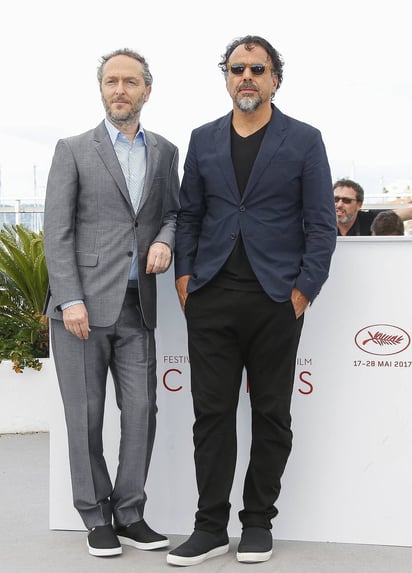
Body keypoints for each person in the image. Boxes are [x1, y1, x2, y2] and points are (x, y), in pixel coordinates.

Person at [167, 35, 337, 567]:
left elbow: (321, 224)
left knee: (271, 414)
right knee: (210, 416)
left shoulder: (305, 140)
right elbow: (189, 213)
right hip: (212, 296)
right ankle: (210, 525)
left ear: (275, 79)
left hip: (274, 300)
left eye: (257, 68)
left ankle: (258, 521)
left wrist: (303, 291)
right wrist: (185, 276)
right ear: (226, 77)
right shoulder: (203, 139)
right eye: (237, 68)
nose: (247, 76)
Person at [43, 48, 180, 558]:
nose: (119, 90)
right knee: (86, 417)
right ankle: (95, 515)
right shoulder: (73, 149)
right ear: (101, 89)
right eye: (110, 81)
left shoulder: (165, 152)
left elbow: (174, 211)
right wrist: (70, 298)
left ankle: (130, 513)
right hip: (81, 310)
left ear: (147, 89)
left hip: (136, 305)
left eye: (129, 82)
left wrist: (165, 238)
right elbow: (55, 232)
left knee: (142, 411)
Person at [334, 178, 412, 236]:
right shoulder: (323, 221)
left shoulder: (370, 219)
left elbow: (408, 212)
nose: (339, 204)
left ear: (359, 205)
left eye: (346, 200)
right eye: (335, 199)